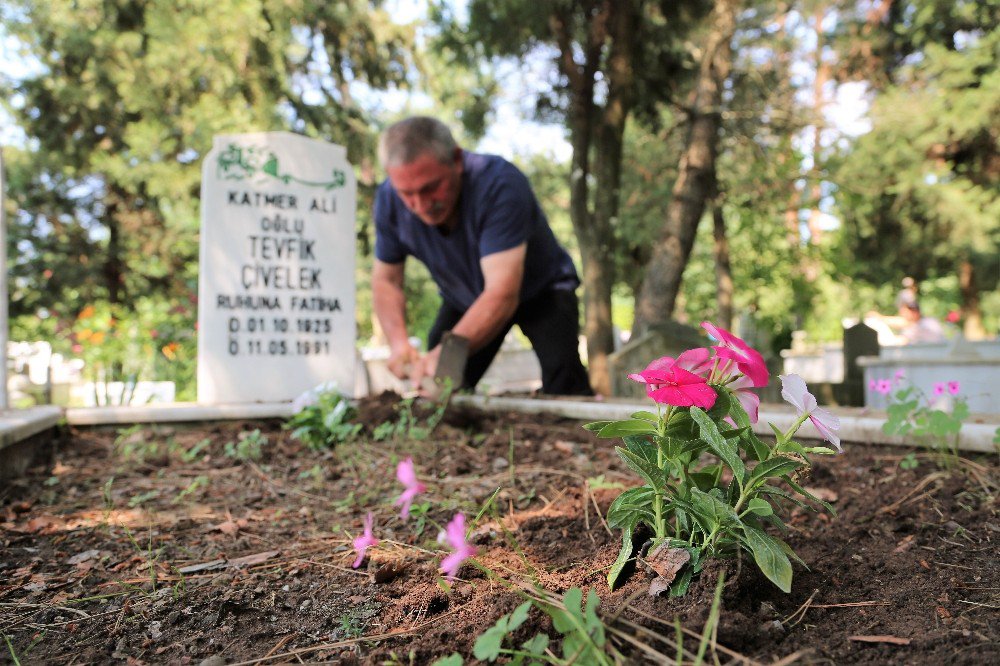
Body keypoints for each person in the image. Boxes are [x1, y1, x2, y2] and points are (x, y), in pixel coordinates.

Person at [372, 116, 593, 396]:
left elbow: (501, 293)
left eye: (430, 188)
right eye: (407, 193)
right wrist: (399, 343)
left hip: (542, 292)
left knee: (564, 384)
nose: (421, 205)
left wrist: (450, 351)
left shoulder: (499, 183)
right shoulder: (388, 201)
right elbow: (386, 281)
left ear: (456, 159)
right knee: (440, 386)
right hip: (465, 299)